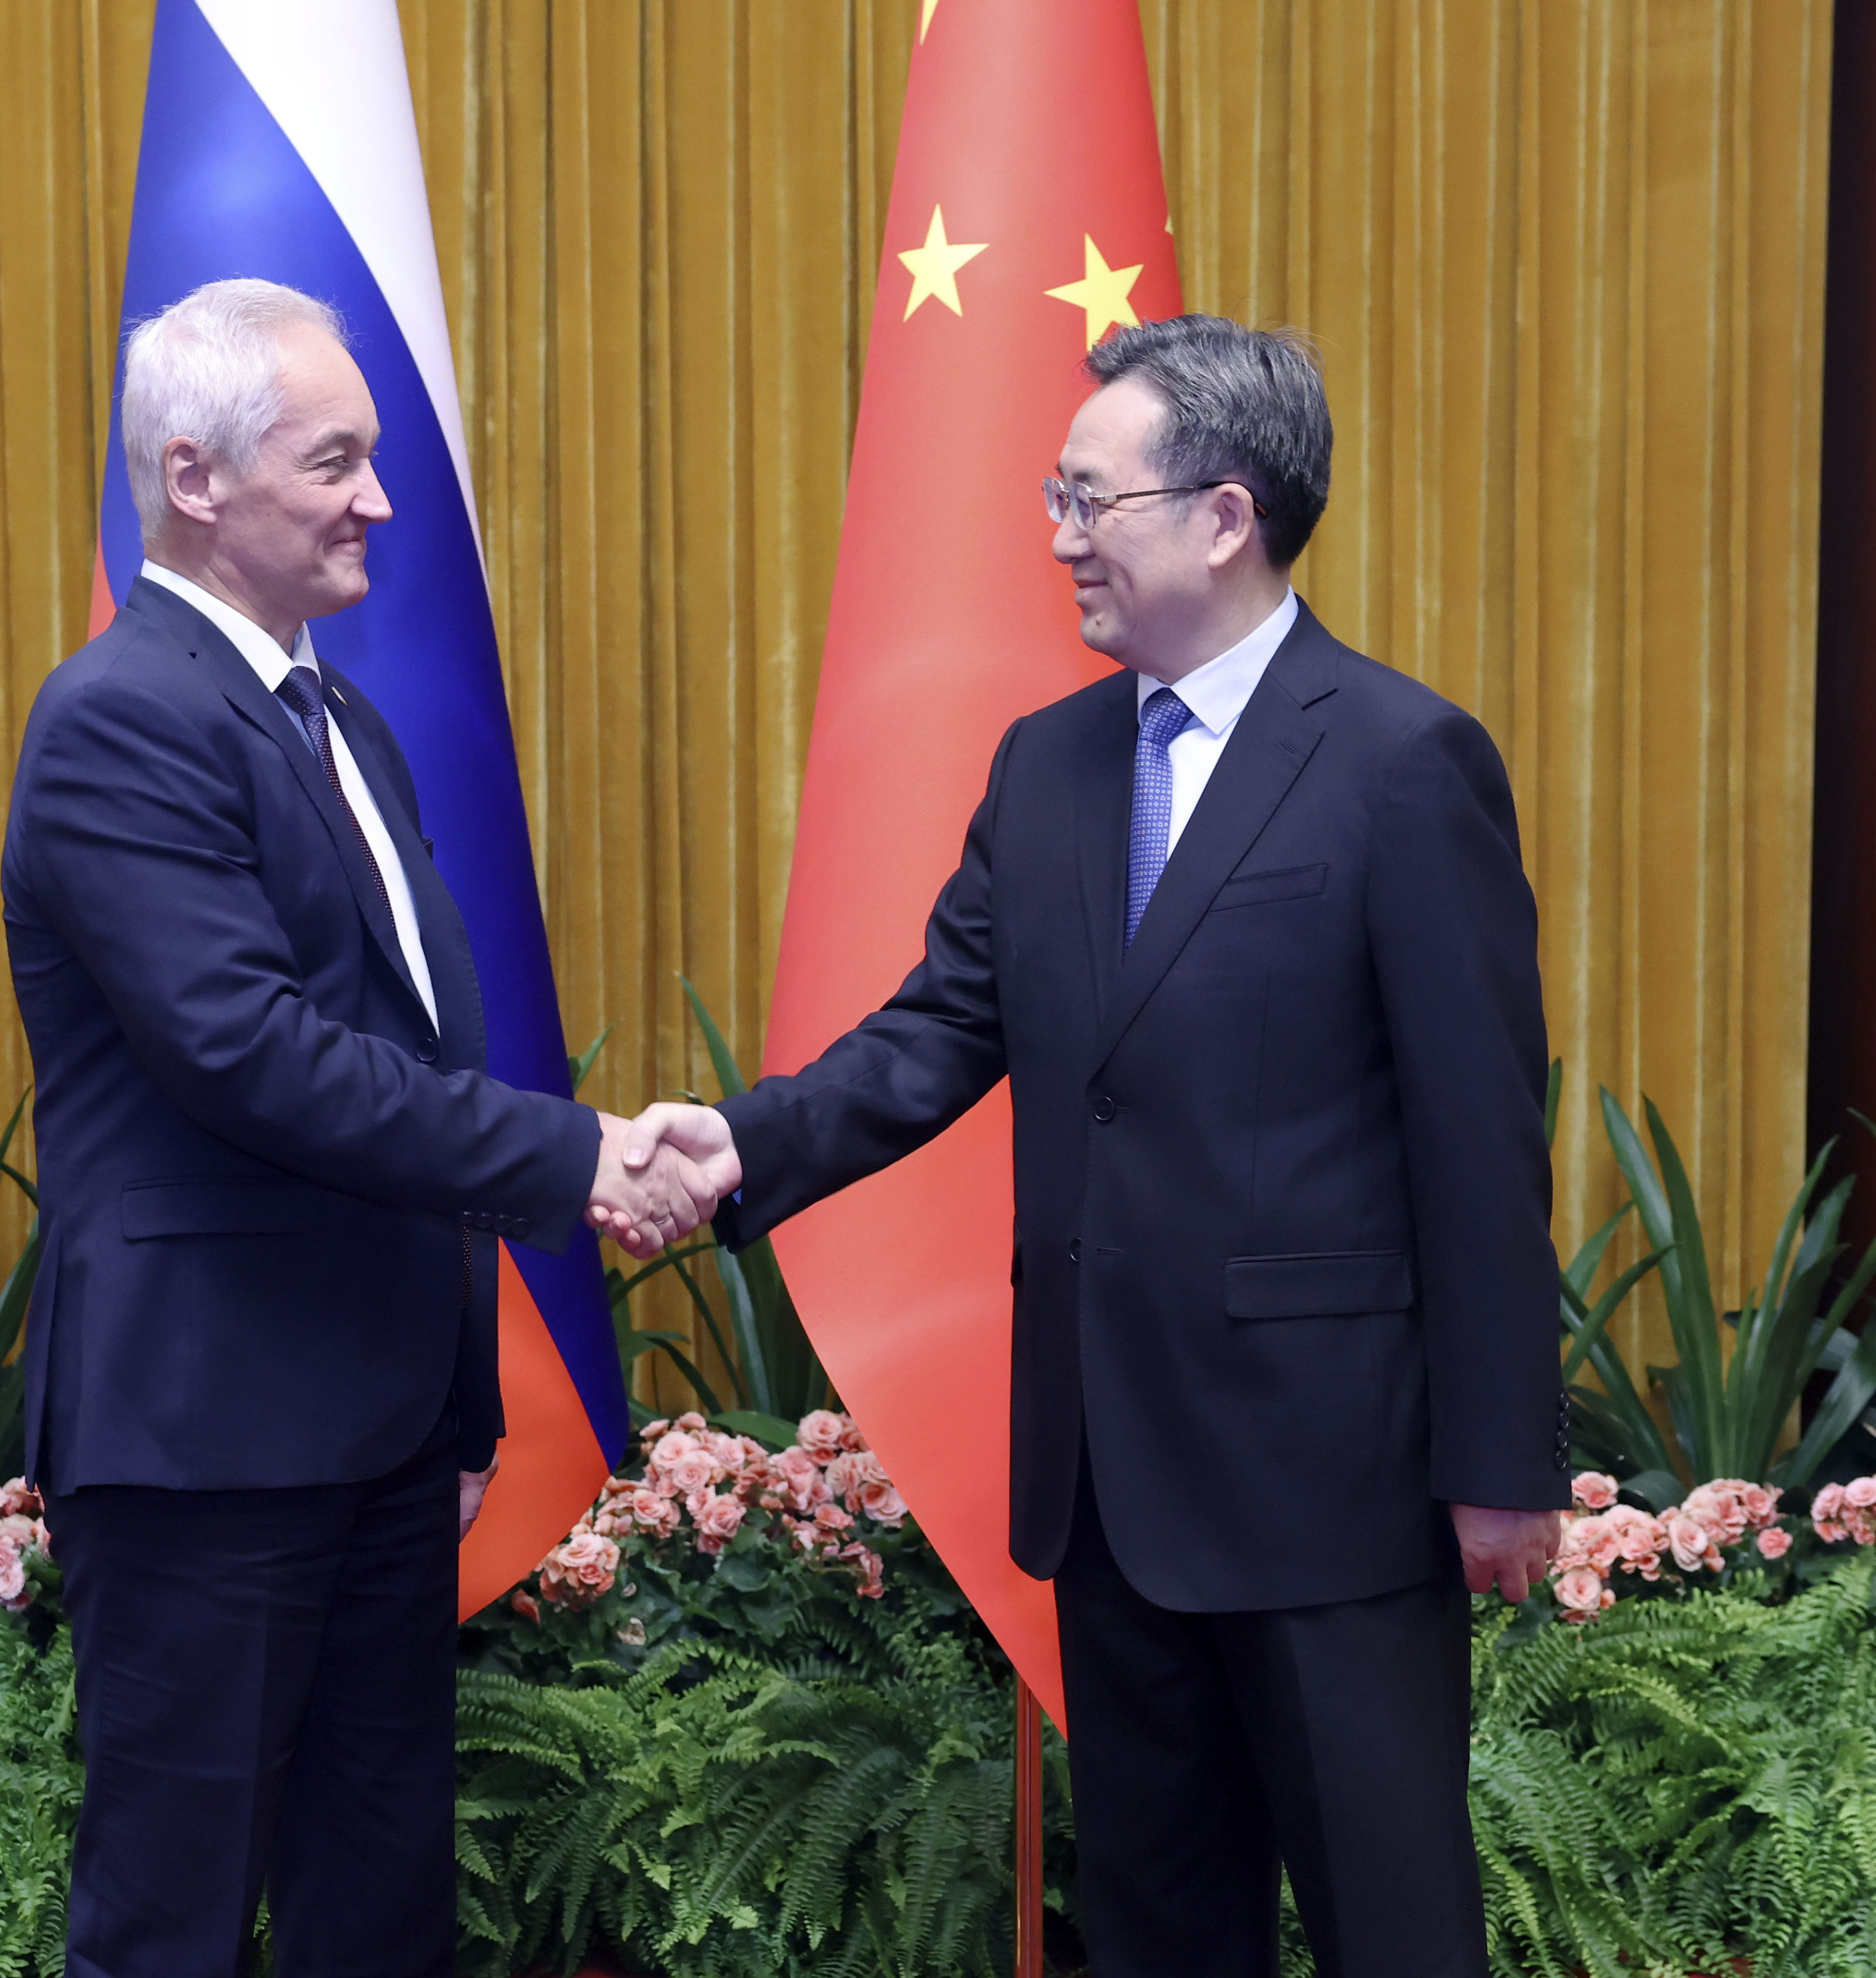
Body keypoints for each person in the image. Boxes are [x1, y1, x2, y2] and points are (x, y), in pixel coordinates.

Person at [620, 315, 1570, 1977]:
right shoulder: (1051, 763)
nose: (1056, 534)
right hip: (1112, 1476)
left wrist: (1500, 1466)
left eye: (1088, 499)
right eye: (1051, 498)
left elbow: (1481, 1139)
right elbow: (937, 1031)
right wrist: (735, 1145)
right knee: (1155, 1930)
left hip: (1328, 1482)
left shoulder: (1402, 764)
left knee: (1394, 1929)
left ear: (1223, 513)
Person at [0, 278, 711, 1978]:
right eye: (337, 462)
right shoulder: (121, 722)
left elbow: (411, 1046)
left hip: (382, 1434)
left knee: (378, 1909)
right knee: (170, 1917)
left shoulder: (344, 723)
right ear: (194, 477)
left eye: (374, 460)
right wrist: (577, 1158)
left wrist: (461, 1398)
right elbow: (253, 1056)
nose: (380, 501)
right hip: (207, 1442)